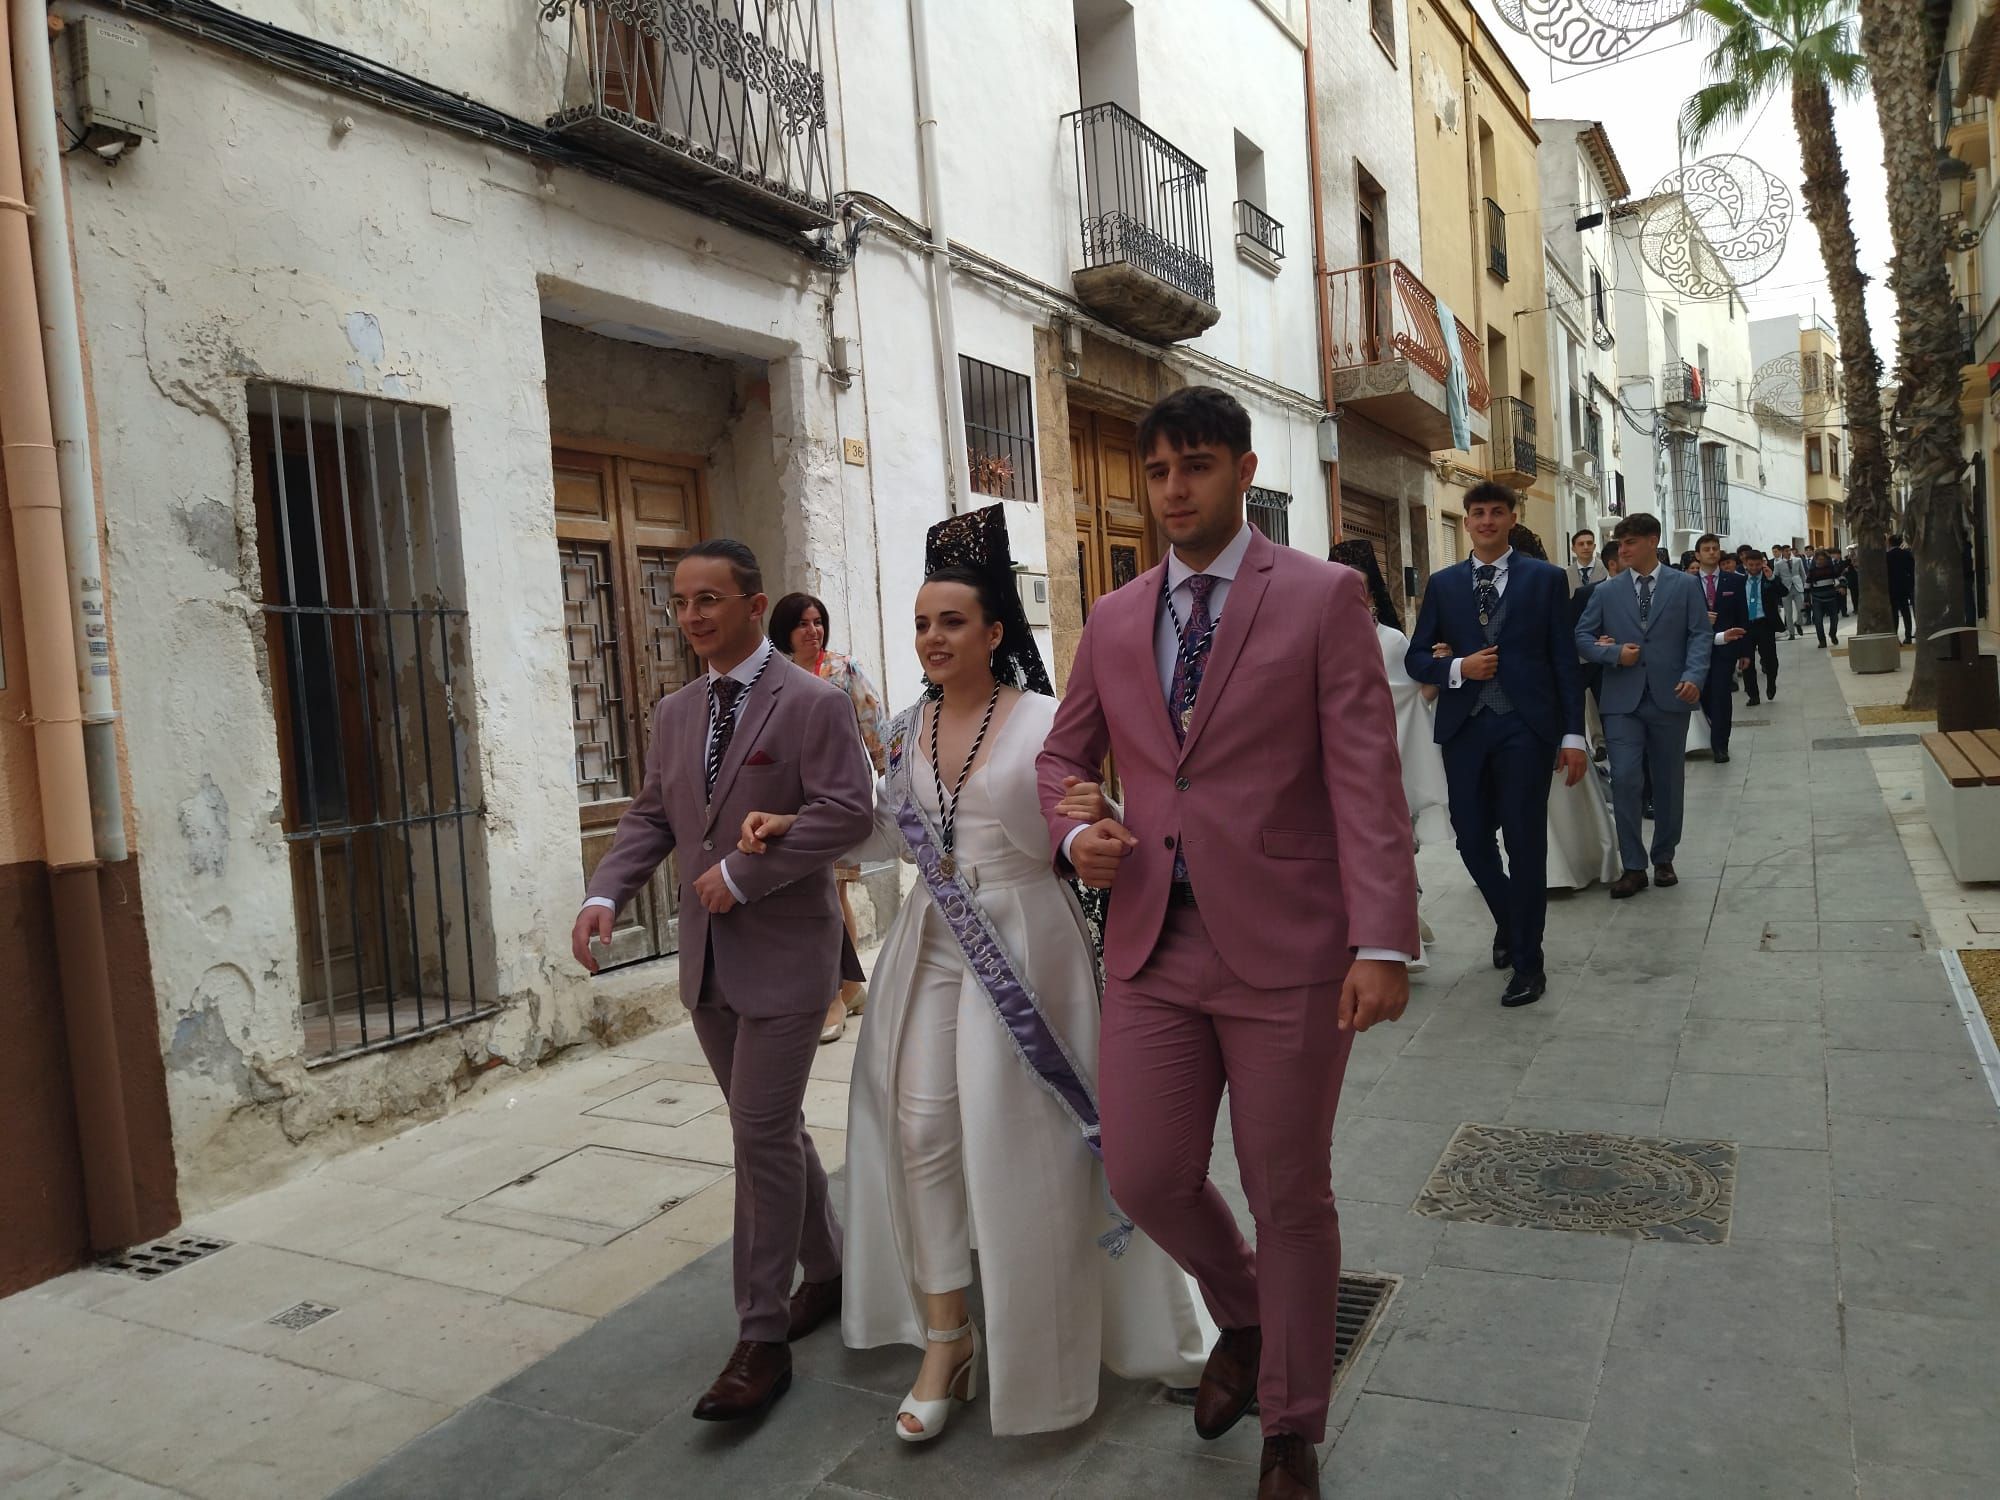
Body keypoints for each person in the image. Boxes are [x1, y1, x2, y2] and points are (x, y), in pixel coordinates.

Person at [747, 507, 1209, 1442]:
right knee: (916, 1130)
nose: (932, 638)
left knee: (1027, 1147)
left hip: (1029, 950)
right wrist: (797, 827)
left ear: (996, 632)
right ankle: (947, 1338)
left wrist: (1095, 815)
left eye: (951, 622)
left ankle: (1098, 1333)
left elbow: (1085, 823)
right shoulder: (909, 726)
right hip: (933, 946)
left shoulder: (1046, 720)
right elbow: (888, 828)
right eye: (921, 623)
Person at [1038, 386, 1418, 1500]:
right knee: (1145, 1170)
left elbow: (1365, 780)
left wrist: (1381, 942)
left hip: (1292, 950)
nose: (1171, 492)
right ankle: (1248, 1314)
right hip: (1155, 945)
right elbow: (1062, 762)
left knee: (1286, 1187)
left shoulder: (1319, 596)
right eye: (1156, 473)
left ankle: (1290, 1426)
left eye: (1193, 468)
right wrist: (1075, 833)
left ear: (1242, 470)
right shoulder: (1112, 620)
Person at [569, 539, 875, 1422]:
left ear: (753, 602)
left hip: (786, 958)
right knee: (770, 1133)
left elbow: (850, 814)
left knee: (757, 1138)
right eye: (683, 602)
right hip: (706, 962)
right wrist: (603, 892)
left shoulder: (811, 702)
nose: (695, 615)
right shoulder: (676, 711)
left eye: (711, 598)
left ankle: (761, 1335)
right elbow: (657, 814)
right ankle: (832, 1267)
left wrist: (745, 875)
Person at [1405, 484, 1586, 1008]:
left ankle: (1530, 963)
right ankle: (1511, 919)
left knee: (1526, 843)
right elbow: (1418, 658)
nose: (1486, 520)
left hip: (1526, 728)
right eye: (1477, 513)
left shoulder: (1546, 580)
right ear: (1466, 523)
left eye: (1496, 512)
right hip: (1466, 730)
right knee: (1471, 840)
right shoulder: (1444, 584)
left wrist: (1572, 734)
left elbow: (1563, 664)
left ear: (1511, 518)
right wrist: (1458, 667)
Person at [768, 591, 891, 1043]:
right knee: (813, 893)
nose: (812, 630)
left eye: (818, 621)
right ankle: (849, 985)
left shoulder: (843, 670)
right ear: (785, 629)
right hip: (789, 798)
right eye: (802, 623)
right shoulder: (773, 675)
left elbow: (875, 725)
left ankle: (837, 994)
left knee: (832, 889)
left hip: (836, 795)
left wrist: (887, 782)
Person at [1575, 512, 1713, 898]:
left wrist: (1693, 677)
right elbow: (1582, 638)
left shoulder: (1685, 586)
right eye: (1620, 544)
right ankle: (1633, 866)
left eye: (1630, 542)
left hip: (1671, 697)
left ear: (1652, 541)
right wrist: (1616, 654)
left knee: (1669, 781)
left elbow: (1700, 635)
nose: (1623, 550)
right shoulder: (1606, 591)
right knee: (1626, 778)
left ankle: (1664, 856)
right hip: (1621, 703)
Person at [1334, 538, 1449, 970]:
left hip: (1385, 760)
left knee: (1390, 848)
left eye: (1357, 585)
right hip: (1333, 763)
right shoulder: (1318, 632)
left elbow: (1408, 699)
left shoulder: (1392, 641)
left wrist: (1440, 671)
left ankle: (1396, 930)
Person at [1501, 526, 1620, 891]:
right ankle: (1567, 860)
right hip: (1523, 699)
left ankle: (1563, 864)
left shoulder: (1546, 587)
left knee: (1552, 779)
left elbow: (1563, 646)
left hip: (1542, 700)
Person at [1692, 534, 1751, 764]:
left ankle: (1720, 745)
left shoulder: (1734, 581)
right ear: (1698, 555)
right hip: (1695, 651)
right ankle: (1705, 736)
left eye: (1715, 548)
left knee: (1721, 697)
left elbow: (1742, 616)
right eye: (1706, 549)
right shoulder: (1686, 583)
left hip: (1725, 651)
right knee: (1702, 695)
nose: (1711, 552)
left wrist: (1745, 651)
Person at [1740, 550, 1788, 706]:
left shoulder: (1769, 579)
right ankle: (1753, 695)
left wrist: (1772, 577)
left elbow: (1784, 592)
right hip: (1746, 625)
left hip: (1765, 624)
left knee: (1770, 659)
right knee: (1746, 661)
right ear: (1745, 564)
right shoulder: (1739, 581)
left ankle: (1771, 683)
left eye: (1758, 564)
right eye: (1751, 564)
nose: (1754, 568)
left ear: (1763, 563)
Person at [1807, 547, 1846, 646]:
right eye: (1819, 559)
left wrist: (1842, 586)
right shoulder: (1812, 571)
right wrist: (1806, 599)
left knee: (1835, 619)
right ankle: (1822, 641)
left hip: (1831, 598)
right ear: (1815, 559)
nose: (1821, 562)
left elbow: (1840, 577)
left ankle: (1832, 634)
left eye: (1823, 560)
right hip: (1817, 599)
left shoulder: (1831, 569)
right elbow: (1807, 585)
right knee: (1818, 621)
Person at [1774, 544, 1809, 639]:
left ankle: (1798, 623)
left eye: (1789, 550)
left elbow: (1803, 574)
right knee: (1788, 612)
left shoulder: (1797, 560)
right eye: (1786, 551)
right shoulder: (1778, 564)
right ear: (1782, 552)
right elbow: (1775, 577)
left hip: (1798, 587)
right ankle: (1792, 633)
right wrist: (1779, 589)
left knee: (1801, 609)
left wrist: (1805, 585)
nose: (1788, 552)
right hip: (1785, 590)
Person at [1888, 533, 1917, 644]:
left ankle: (1895, 637)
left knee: (1894, 613)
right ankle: (1908, 635)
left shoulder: (1887, 556)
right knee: (1906, 612)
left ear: (1889, 543)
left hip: (1892, 588)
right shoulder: (1906, 554)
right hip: (1905, 587)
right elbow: (1912, 569)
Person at [1568, 527, 1607, 593]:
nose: (1586, 547)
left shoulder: (1607, 568)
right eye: (1581, 544)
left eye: (1589, 543)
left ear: (1594, 547)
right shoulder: (1566, 573)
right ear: (1573, 549)